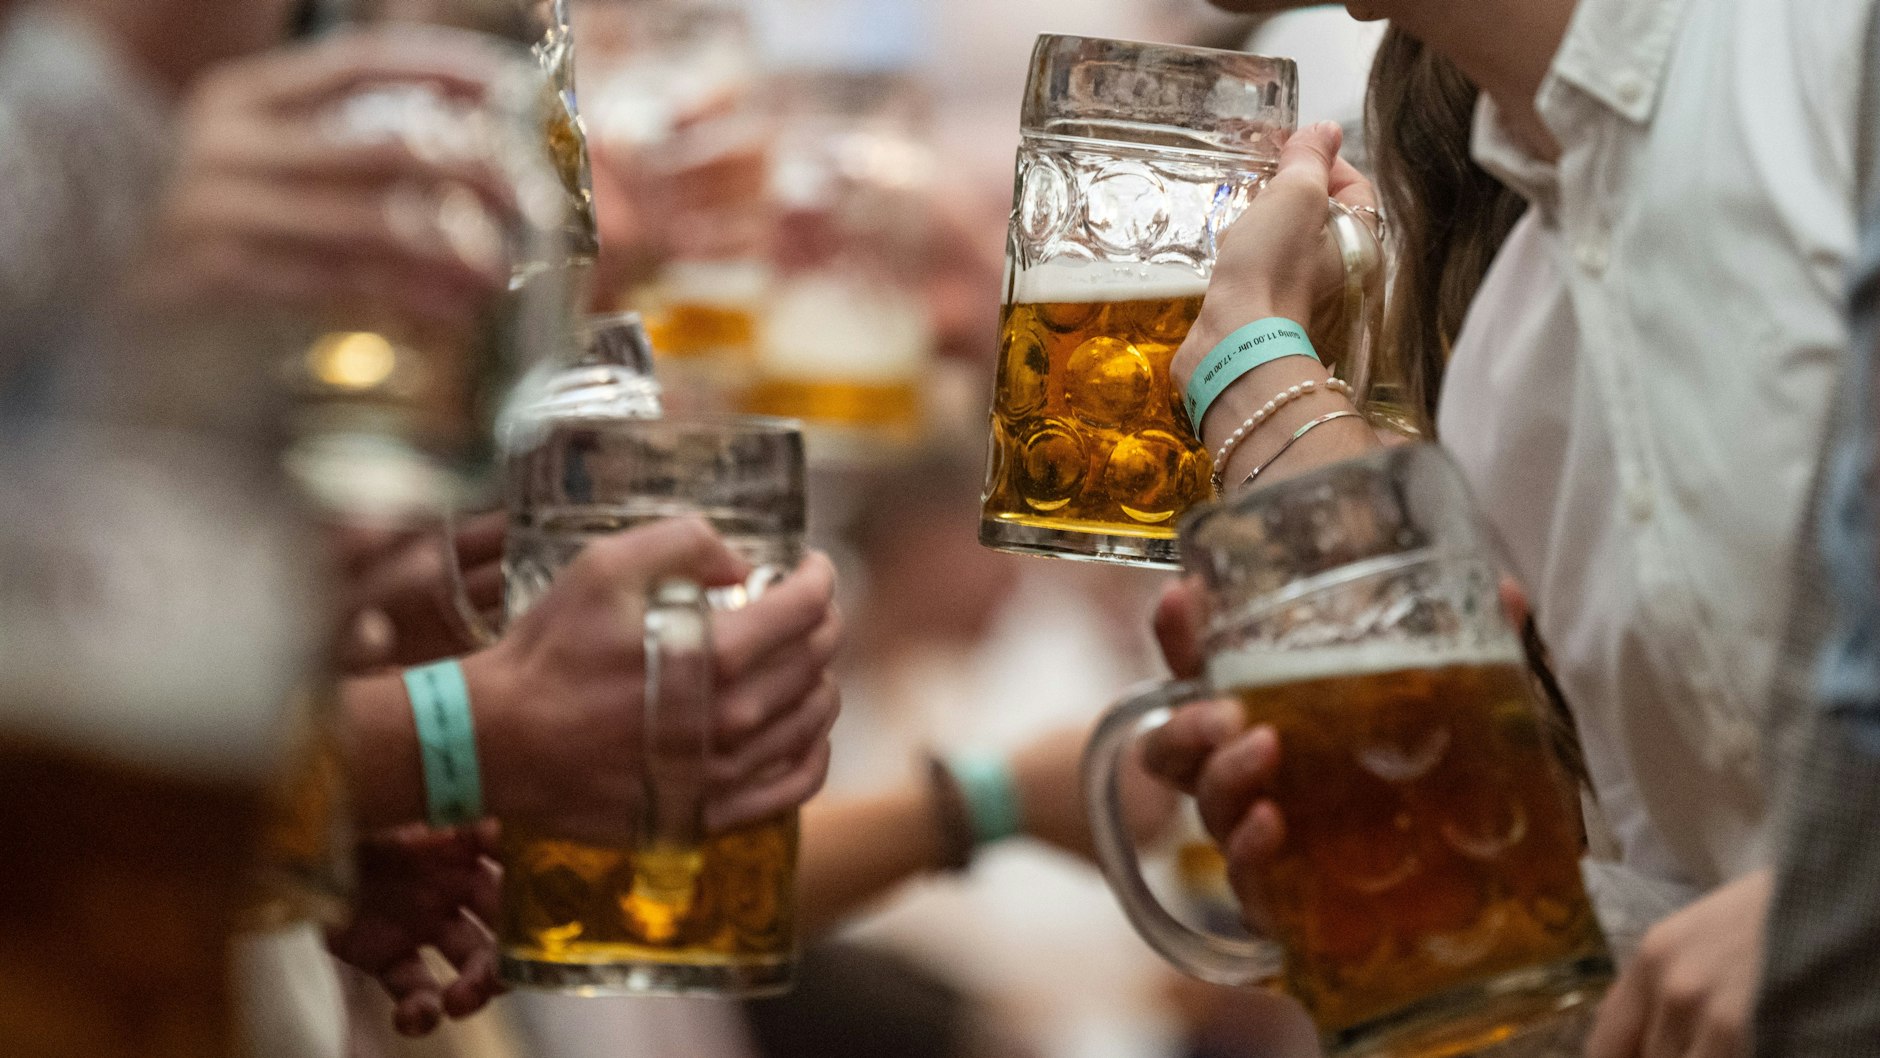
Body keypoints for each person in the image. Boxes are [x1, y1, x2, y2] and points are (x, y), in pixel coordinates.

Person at [1137, 0, 1876, 1056]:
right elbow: (1695, 915)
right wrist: (1419, 905)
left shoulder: (1829, 51)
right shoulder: (1501, 359)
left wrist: (1831, 911)